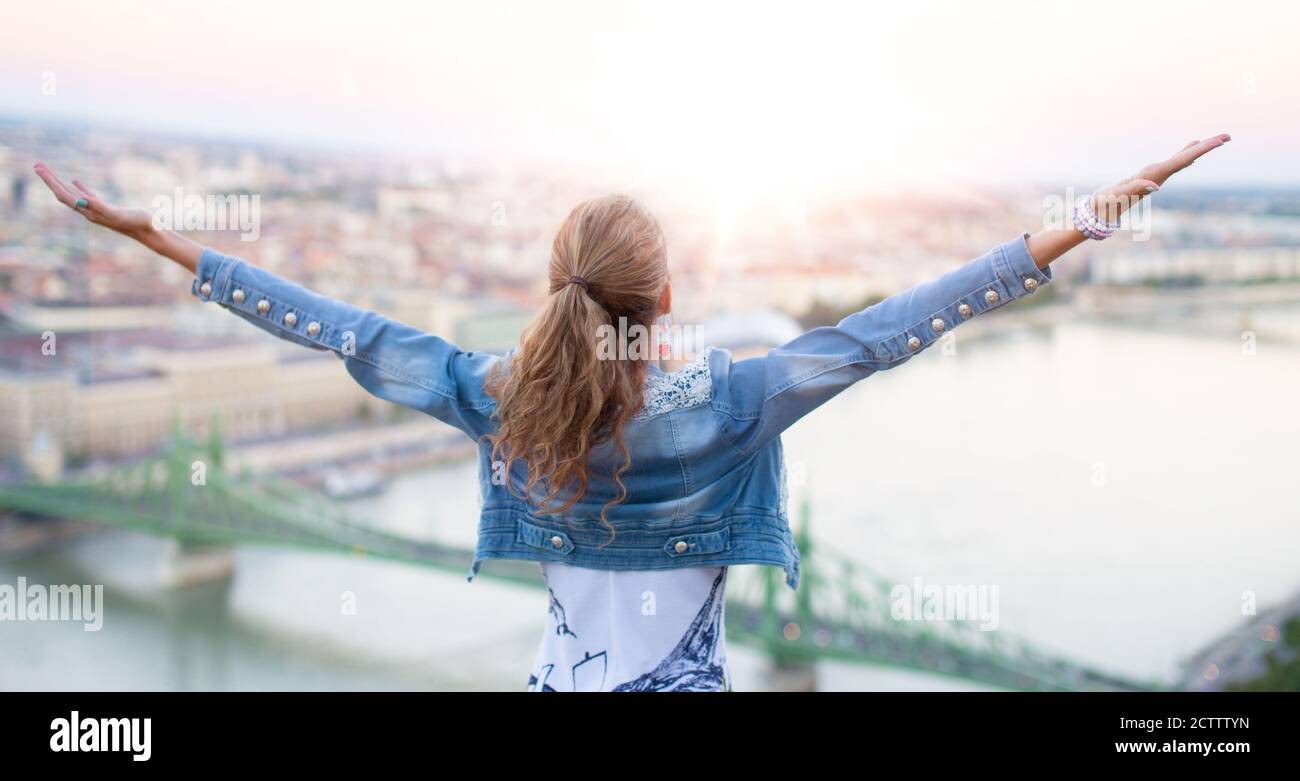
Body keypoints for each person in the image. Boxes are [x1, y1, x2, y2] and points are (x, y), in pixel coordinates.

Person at [33, 133, 1230, 691]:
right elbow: (904, 320)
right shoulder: (739, 400)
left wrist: (154, 239)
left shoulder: (494, 400)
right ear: (667, 297)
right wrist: (1090, 214)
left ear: (555, 288)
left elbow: (329, 324)